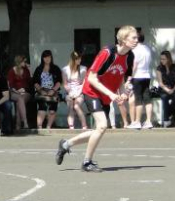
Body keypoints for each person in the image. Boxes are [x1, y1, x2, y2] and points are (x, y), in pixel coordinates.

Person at [55, 26, 138, 172]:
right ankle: (87, 163)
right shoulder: (107, 53)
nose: (137, 40)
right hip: (91, 91)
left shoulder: (130, 57)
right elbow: (92, 78)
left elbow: (119, 77)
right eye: (134, 37)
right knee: (102, 126)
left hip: (105, 96)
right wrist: (112, 94)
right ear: (124, 39)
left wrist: (123, 92)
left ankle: (65, 144)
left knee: (98, 130)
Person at [126, 33, 154, 129]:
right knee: (147, 98)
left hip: (137, 76)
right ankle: (149, 121)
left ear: (137, 39)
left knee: (138, 99)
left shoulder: (135, 50)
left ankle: (137, 121)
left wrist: (129, 78)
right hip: (147, 75)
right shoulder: (147, 49)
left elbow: (134, 65)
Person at [33, 50, 62, 129]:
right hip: (41, 90)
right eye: (45, 57)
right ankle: (39, 127)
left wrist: (53, 90)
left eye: (49, 57)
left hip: (53, 91)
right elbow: (35, 82)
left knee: (53, 108)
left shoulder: (56, 68)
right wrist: (41, 91)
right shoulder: (38, 69)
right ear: (42, 58)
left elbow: (59, 81)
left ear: (51, 58)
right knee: (42, 107)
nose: (47, 59)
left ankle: (48, 127)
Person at [61, 51, 88, 129]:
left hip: (79, 91)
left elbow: (84, 83)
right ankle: (71, 126)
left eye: (80, 58)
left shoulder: (83, 69)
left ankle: (84, 125)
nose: (79, 60)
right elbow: (65, 84)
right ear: (72, 59)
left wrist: (78, 93)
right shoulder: (65, 69)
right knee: (70, 104)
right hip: (69, 92)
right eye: (77, 59)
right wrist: (70, 93)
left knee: (76, 106)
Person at [155, 50, 175, 127]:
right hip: (164, 88)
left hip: (174, 88)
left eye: (164, 59)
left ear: (168, 59)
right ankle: (166, 120)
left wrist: (172, 90)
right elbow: (160, 83)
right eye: (161, 59)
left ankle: (169, 114)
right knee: (164, 97)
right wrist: (167, 90)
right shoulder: (159, 68)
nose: (162, 61)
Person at [7, 55, 32, 130]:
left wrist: (30, 71)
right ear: (20, 62)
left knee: (19, 101)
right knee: (19, 99)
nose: (25, 63)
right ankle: (25, 122)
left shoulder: (26, 70)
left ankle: (18, 125)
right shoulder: (12, 71)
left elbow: (30, 82)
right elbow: (10, 85)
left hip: (25, 93)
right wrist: (17, 91)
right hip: (14, 92)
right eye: (24, 61)